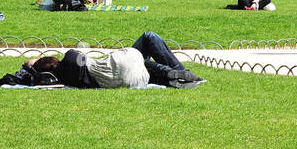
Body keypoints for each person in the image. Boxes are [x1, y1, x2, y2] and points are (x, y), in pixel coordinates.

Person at [22, 32, 202, 88]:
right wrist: (36, 61)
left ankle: (171, 77)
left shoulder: (67, 78)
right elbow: (32, 62)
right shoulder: (71, 56)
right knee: (148, 38)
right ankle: (177, 71)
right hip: (117, 66)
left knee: (137, 66)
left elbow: (30, 65)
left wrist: (34, 67)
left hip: (121, 79)